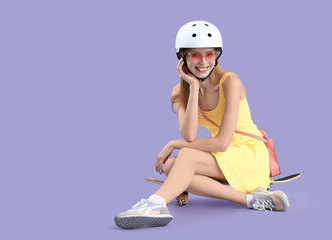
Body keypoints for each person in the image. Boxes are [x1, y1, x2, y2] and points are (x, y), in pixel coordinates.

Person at [114, 20, 290, 230]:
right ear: (182, 57)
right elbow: (190, 135)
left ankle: (155, 204)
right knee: (172, 167)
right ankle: (250, 200)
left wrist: (173, 144)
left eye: (209, 54)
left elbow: (222, 142)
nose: (203, 61)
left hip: (249, 154)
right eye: (195, 55)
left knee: (185, 156)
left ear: (217, 55)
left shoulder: (230, 82)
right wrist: (194, 88)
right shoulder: (179, 92)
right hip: (225, 157)